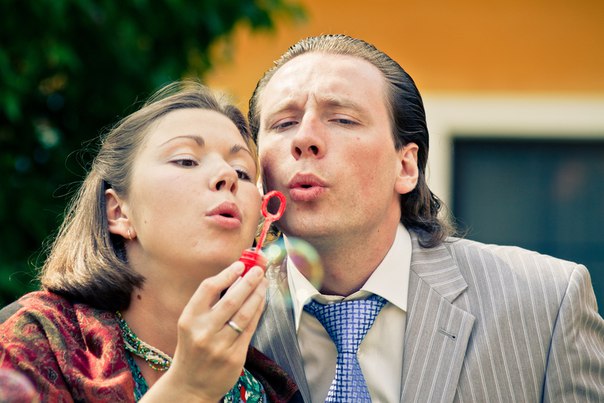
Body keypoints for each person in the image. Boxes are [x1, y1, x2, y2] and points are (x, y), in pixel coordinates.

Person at [248, 34, 604, 402]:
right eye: (283, 123)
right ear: (260, 174)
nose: (304, 138)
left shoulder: (547, 302)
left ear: (406, 166)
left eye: (342, 119)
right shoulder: (221, 317)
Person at [0, 80, 301, 402]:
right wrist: (187, 389)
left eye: (242, 172)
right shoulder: (31, 342)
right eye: (186, 160)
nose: (227, 176)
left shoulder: (272, 387)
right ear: (119, 212)